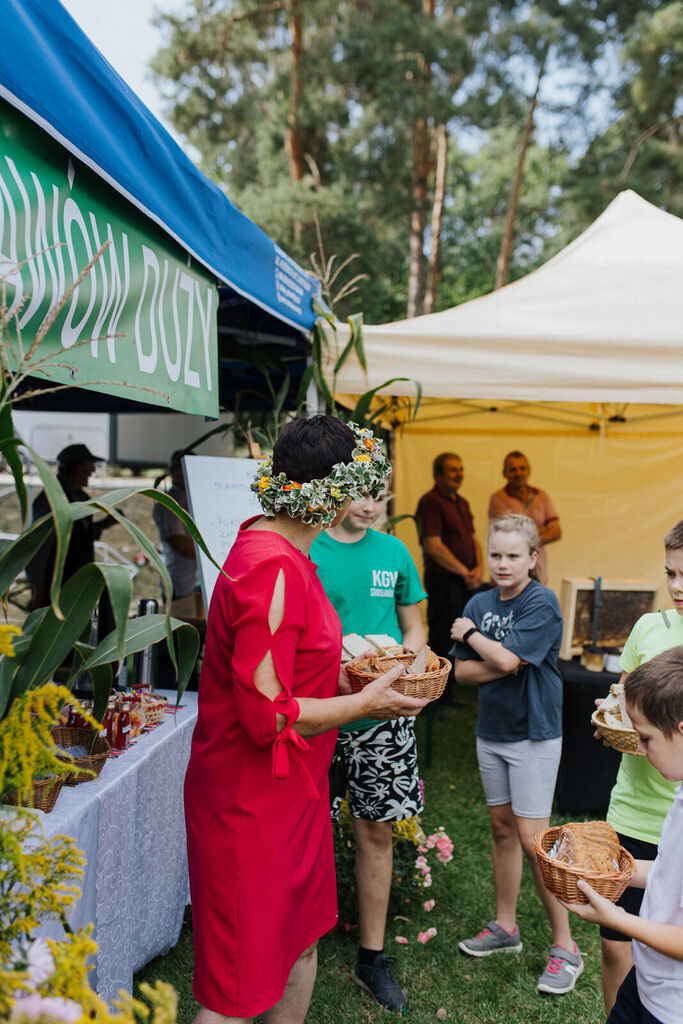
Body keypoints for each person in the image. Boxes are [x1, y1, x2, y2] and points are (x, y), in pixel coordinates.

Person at [183, 416, 428, 1024]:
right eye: (357, 484)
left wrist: (356, 678)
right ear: (330, 491)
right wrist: (366, 705)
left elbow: (296, 674)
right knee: (239, 987)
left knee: (300, 943)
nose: (361, 499)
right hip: (249, 805)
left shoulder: (292, 551)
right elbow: (268, 717)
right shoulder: (271, 567)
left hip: (294, 793)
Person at [451, 514, 582, 995]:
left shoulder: (540, 602)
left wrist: (471, 637)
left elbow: (502, 660)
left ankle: (566, 947)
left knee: (534, 840)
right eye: (495, 555)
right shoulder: (479, 602)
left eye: (513, 556)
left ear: (533, 558)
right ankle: (506, 928)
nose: (502, 564)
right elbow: (461, 676)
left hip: (534, 733)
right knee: (502, 830)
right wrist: (500, 660)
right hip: (493, 731)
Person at [311, 478, 427, 1012]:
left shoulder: (395, 551)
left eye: (378, 493)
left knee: (376, 832)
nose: (369, 503)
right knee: (300, 829)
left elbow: (414, 626)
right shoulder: (309, 546)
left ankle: (371, 958)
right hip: (319, 716)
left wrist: (411, 672)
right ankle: (294, 947)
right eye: (358, 491)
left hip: (381, 719)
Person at [562, 646, 683, 1024]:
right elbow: (670, 873)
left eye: (646, 739)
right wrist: (613, 871)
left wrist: (616, 918)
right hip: (647, 982)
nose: (641, 751)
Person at [596, 521, 683, 1014]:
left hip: (670, 814)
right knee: (616, 941)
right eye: (670, 572)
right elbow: (623, 699)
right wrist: (616, 722)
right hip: (633, 809)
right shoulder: (650, 626)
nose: (677, 586)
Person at [415, 452, 483, 702]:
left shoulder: (461, 502)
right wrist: (465, 571)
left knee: (460, 634)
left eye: (461, 469)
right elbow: (433, 546)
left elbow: (474, 539)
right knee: (443, 636)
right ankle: (434, 696)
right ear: (438, 474)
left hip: (464, 581)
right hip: (444, 581)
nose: (458, 474)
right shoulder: (430, 502)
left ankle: (450, 691)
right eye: (452, 470)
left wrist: (479, 569)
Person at [25, 443, 115, 610]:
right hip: (56, 585)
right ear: (79, 469)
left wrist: (104, 524)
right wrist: (38, 586)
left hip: (76, 583)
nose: (93, 471)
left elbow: (79, 535)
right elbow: (39, 546)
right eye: (90, 466)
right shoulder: (52, 500)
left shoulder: (80, 497)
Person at [487, 451, 560, 584]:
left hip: (538, 574)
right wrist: (543, 530)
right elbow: (505, 535)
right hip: (507, 577)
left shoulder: (541, 496)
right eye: (513, 470)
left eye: (522, 468)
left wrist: (529, 538)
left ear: (529, 470)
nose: (518, 473)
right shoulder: (498, 498)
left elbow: (556, 531)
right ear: (504, 473)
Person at [153, 450, 198, 617]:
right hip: (180, 583)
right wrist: (211, 558)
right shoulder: (169, 502)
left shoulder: (191, 498)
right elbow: (178, 542)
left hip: (193, 580)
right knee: (179, 633)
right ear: (174, 471)